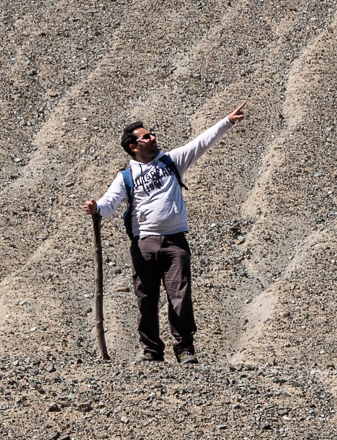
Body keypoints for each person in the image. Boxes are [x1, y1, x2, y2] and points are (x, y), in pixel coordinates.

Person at [85, 104, 246, 363]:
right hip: (144, 243)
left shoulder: (172, 162)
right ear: (133, 147)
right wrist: (96, 208)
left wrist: (226, 121)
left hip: (175, 242)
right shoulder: (125, 177)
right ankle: (151, 351)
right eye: (146, 136)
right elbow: (109, 203)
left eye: (152, 133)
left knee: (180, 295)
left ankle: (184, 349)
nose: (153, 138)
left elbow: (201, 142)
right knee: (146, 298)